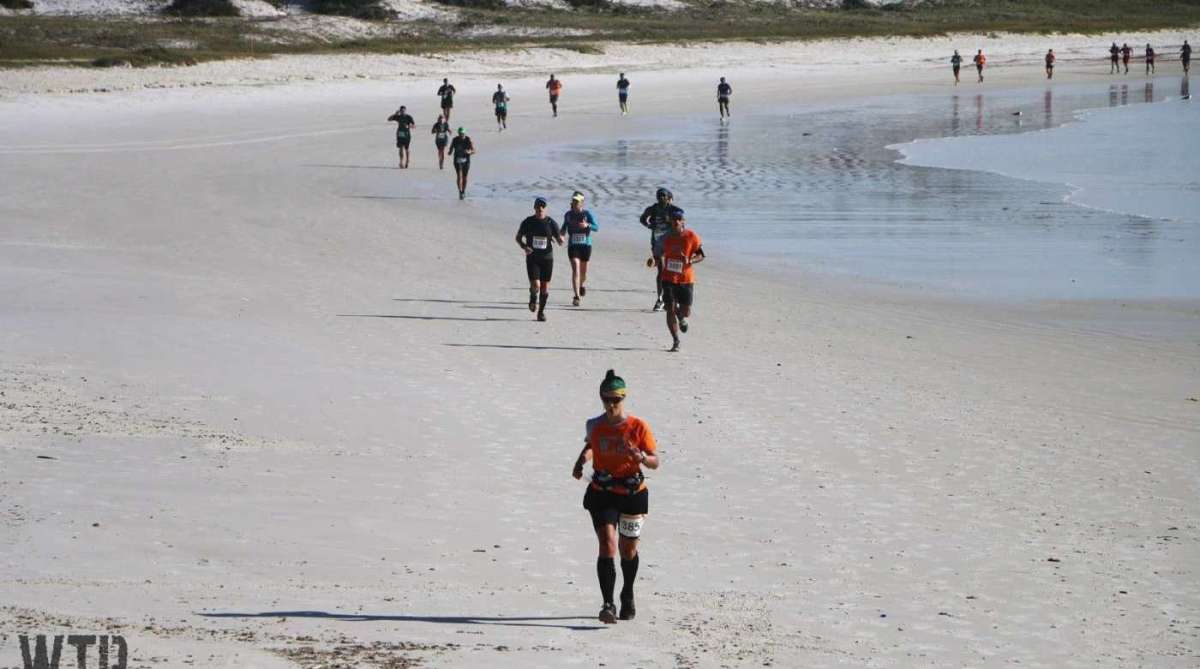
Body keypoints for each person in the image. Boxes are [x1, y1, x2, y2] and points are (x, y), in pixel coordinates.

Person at [571, 369, 659, 624]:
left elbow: (655, 462)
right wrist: (581, 460)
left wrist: (641, 458)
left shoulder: (638, 427)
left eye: (616, 400)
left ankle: (627, 592)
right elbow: (592, 445)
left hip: (632, 493)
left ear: (624, 398)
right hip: (603, 492)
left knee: (628, 550)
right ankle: (608, 604)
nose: (611, 404)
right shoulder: (594, 425)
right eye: (606, 399)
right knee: (607, 544)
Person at [659, 209, 704, 352]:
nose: (676, 222)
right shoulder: (664, 237)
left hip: (686, 278)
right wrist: (654, 260)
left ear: (683, 221)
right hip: (668, 277)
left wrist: (690, 260)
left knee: (686, 312)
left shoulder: (691, 236)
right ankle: (676, 341)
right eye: (673, 219)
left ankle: (681, 316)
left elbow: (701, 255)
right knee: (669, 309)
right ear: (670, 221)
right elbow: (658, 253)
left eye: (678, 219)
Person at [515, 196, 563, 321]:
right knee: (536, 285)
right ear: (534, 207)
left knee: (544, 287)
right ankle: (533, 296)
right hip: (533, 258)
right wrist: (524, 246)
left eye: (543, 206)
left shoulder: (551, 223)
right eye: (538, 206)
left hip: (547, 258)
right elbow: (518, 237)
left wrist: (561, 240)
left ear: (546, 208)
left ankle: (540, 313)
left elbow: (559, 239)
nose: (540, 208)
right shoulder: (528, 222)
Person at [639, 187, 682, 312]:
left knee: (673, 270)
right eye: (659, 195)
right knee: (662, 270)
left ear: (669, 198)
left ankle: (673, 298)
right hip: (657, 243)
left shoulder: (673, 209)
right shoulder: (652, 209)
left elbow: (681, 216)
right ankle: (660, 299)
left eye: (663, 195)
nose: (661, 197)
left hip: (672, 243)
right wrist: (649, 225)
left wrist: (672, 220)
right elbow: (642, 219)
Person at [560, 191, 598, 306]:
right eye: (574, 200)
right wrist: (561, 236)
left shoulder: (587, 214)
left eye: (577, 201)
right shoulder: (568, 215)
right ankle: (576, 296)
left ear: (582, 202)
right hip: (573, 246)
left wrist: (588, 225)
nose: (575, 203)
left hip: (586, 246)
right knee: (575, 269)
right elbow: (564, 228)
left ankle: (581, 285)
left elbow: (596, 227)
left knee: (583, 273)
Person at [448, 127, 474, 199]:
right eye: (460, 134)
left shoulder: (468, 139)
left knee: (465, 177)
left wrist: (469, 152)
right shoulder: (455, 139)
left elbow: (474, 150)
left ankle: (463, 191)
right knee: (459, 176)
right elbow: (451, 149)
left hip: (466, 161)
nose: (461, 135)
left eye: (462, 134)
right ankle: (460, 191)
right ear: (458, 133)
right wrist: (450, 152)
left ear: (465, 133)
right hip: (457, 160)